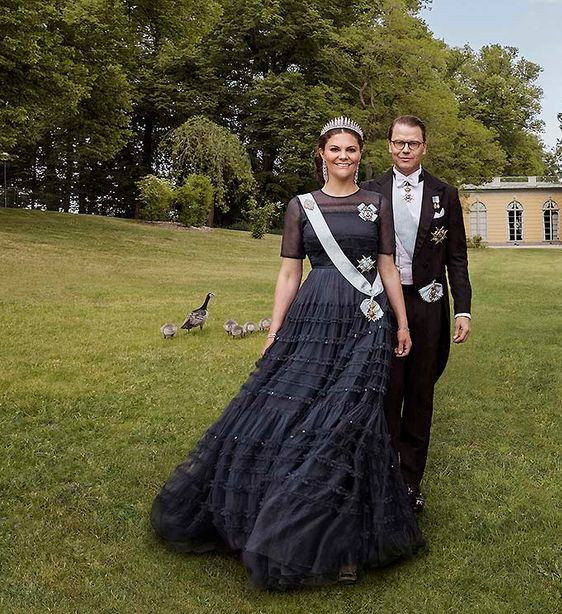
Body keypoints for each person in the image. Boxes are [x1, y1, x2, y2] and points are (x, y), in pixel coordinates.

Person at [150, 117, 424, 590]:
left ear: (361, 155)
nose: (343, 157)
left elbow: (387, 266)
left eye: (351, 150)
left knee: (350, 420)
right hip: (313, 319)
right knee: (291, 411)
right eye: (335, 149)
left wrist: (401, 322)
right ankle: (277, 516)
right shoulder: (301, 207)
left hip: (366, 320)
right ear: (321, 154)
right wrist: (275, 329)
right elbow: (288, 274)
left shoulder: (377, 204)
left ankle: (343, 542)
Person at [362, 115, 472, 513]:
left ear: (424, 146)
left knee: (421, 394)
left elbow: (457, 257)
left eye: (413, 143)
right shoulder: (369, 191)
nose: (405, 149)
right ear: (389, 146)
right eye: (398, 143)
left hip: (429, 305)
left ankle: (410, 482)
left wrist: (463, 309)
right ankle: (385, 474)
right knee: (387, 392)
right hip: (384, 304)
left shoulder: (446, 193)